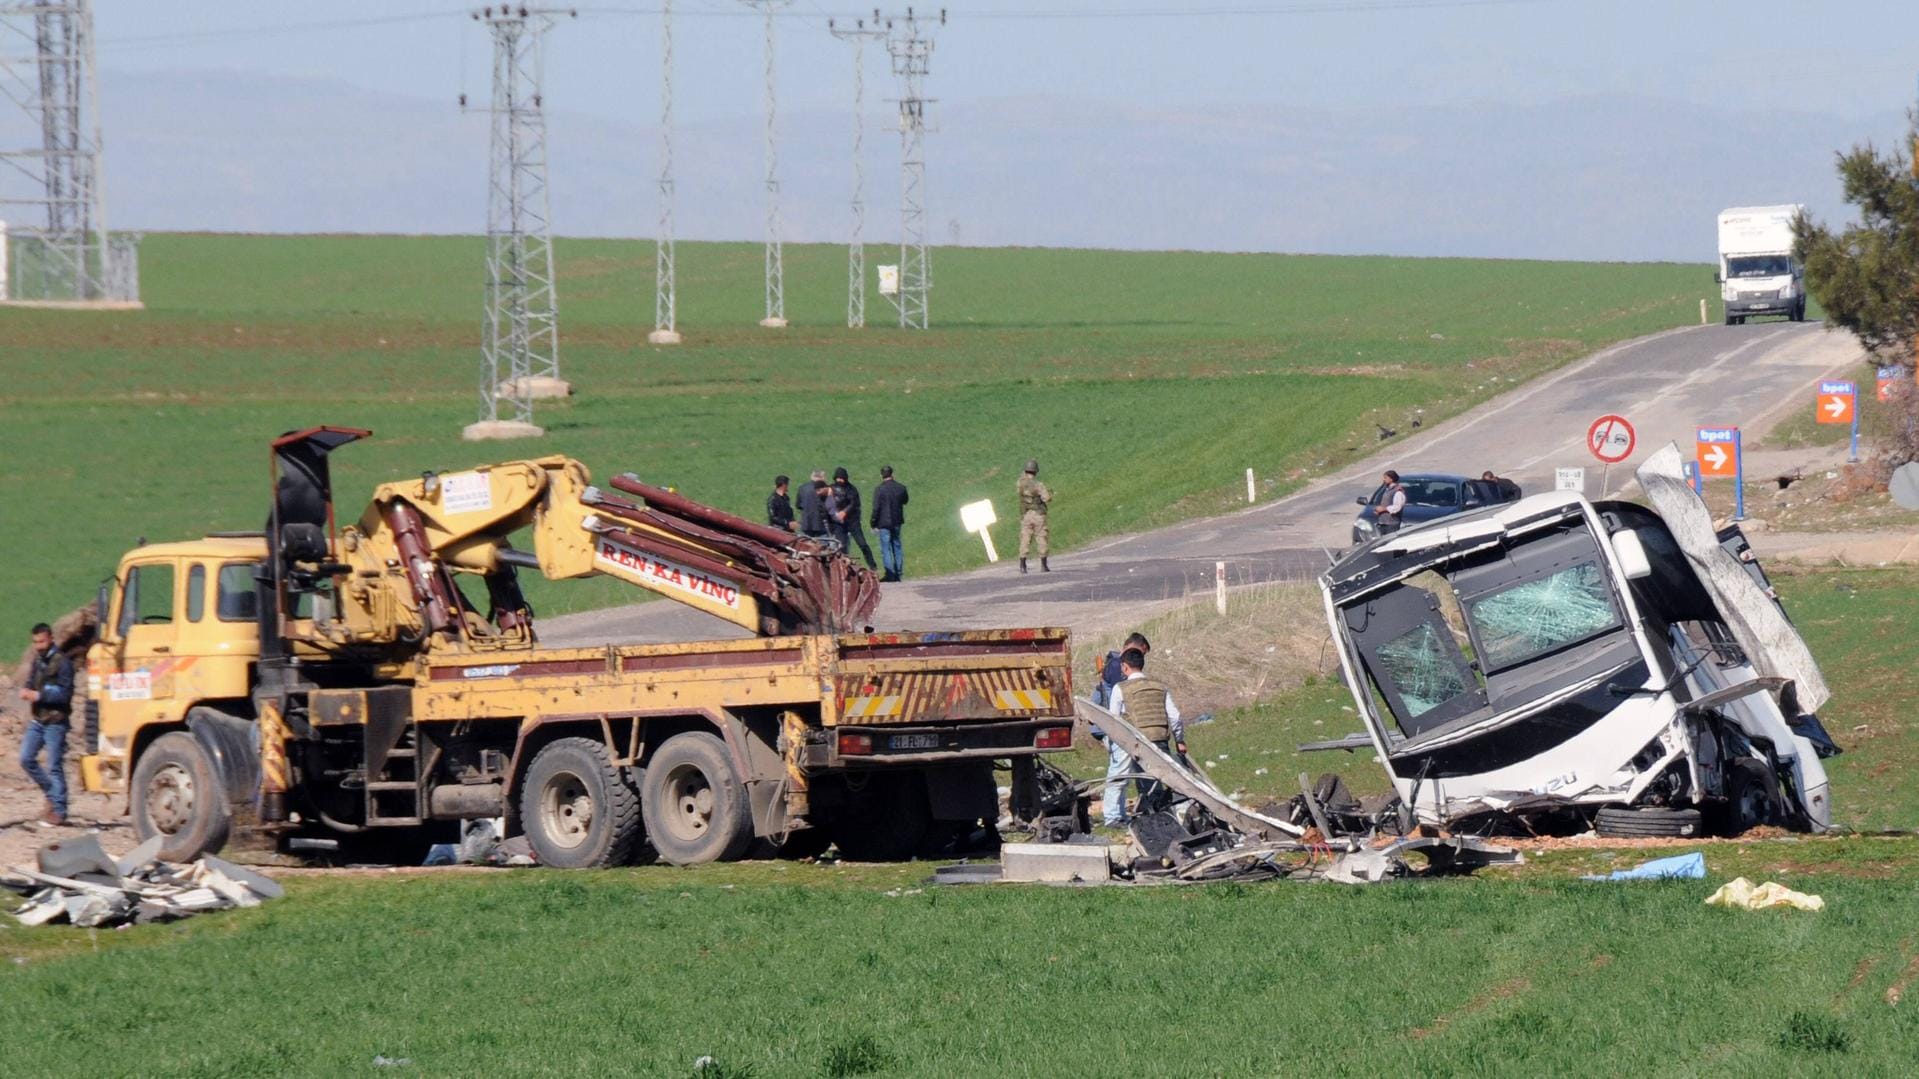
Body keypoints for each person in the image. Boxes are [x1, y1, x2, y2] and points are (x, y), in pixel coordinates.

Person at [1108, 647, 1183, 817]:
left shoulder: (1120, 688)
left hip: (1138, 742)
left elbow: (1114, 720)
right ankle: (1168, 812)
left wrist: (1115, 745)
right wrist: (1180, 740)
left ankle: (1155, 818)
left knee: (1145, 783)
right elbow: (1175, 717)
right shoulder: (1160, 687)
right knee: (1165, 778)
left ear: (1124, 667)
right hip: (1160, 739)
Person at [18, 622, 75, 826]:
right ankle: (52, 793)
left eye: (42, 641)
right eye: (35, 642)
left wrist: (40, 695)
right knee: (25, 758)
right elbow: (31, 681)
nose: (38, 646)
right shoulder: (38, 660)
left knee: (54, 766)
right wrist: (26, 690)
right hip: (38, 719)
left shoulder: (63, 663)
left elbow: (65, 693)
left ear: (50, 638)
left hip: (56, 721)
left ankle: (59, 811)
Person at [1090, 632, 1150, 827]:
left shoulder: (1113, 664)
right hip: (1120, 728)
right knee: (1119, 773)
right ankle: (1113, 816)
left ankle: (1120, 814)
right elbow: (1122, 700)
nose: (1140, 659)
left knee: (1124, 773)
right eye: (1140, 653)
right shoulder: (1118, 667)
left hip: (1117, 727)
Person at [829, 467, 878, 570]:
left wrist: (844, 512)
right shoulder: (831, 489)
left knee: (862, 544)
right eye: (838, 478)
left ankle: (873, 566)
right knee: (841, 547)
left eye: (841, 478)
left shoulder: (851, 489)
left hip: (852, 522)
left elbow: (854, 503)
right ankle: (844, 569)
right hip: (838, 523)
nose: (839, 481)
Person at [870, 465, 910, 582]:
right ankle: (899, 573)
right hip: (897, 521)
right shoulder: (901, 488)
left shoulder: (879, 490)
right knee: (897, 546)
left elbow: (876, 508)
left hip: (883, 522)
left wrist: (873, 522)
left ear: (881, 475)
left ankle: (890, 573)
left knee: (885, 548)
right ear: (892, 474)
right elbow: (905, 501)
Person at [1016, 458, 1052, 574]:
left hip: (1026, 515)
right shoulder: (1038, 485)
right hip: (1038, 515)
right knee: (1041, 537)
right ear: (1035, 472)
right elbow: (1046, 498)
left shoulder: (1020, 484)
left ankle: (1022, 565)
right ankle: (1044, 565)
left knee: (1025, 539)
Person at [797, 469, 830, 541]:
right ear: (822, 478)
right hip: (820, 524)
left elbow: (799, 505)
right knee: (823, 549)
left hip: (806, 524)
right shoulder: (824, 489)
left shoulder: (802, 488)